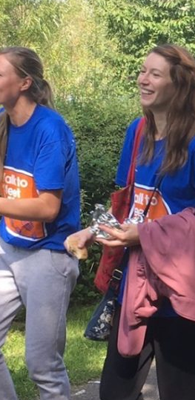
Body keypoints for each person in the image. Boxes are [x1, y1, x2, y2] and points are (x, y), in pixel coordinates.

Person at [67, 44, 195, 400]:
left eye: (155, 74)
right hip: (135, 289)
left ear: (179, 85)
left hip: (180, 299)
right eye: (143, 71)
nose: (143, 79)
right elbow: (131, 209)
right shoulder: (136, 133)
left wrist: (148, 235)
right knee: (114, 394)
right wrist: (92, 232)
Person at [0, 46, 80, 400]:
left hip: (49, 255)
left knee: (42, 364)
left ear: (24, 83)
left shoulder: (50, 129)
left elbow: (48, 207)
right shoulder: (3, 122)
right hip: (8, 247)